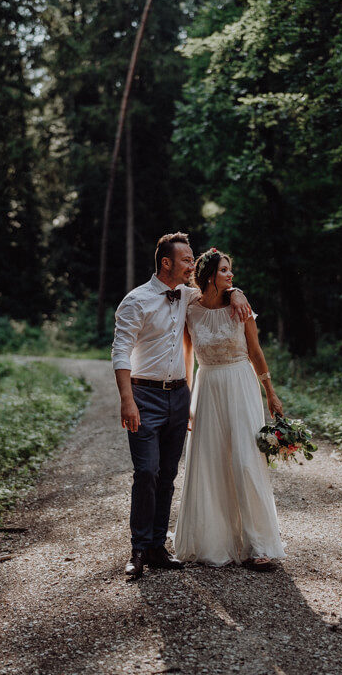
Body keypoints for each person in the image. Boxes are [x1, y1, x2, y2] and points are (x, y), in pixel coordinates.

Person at [111, 232, 252, 580]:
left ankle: (159, 547)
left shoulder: (189, 295)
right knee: (146, 472)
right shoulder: (136, 301)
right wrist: (127, 401)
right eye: (187, 259)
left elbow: (217, 289)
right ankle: (139, 549)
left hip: (179, 396)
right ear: (166, 263)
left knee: (169, 474)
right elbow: (120, 352)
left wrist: (236, 292)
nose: (192, 264)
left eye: (192, 260)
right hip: (144, 395)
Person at [173, 248, 286, 571]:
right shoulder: (190, 308)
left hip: (240, 383)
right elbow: (187, 358)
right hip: (207, 387)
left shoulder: (240, 306)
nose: (231, 276)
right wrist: (187, 398)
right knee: (210, 461)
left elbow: (256, 351)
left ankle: (258, 545)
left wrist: (270, 393)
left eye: (231, 271)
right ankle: (214, 540)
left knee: (246, 461)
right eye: (225, 271)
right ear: (210, 276)